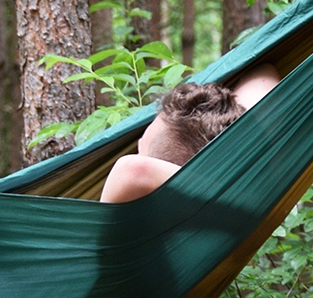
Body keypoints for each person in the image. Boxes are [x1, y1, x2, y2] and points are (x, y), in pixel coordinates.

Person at [99, 63, 281, 203]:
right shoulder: (239, 203)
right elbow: (264, 73)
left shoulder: (123, 232)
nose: (139, 141)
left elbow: (134, 169)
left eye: (141, 146)